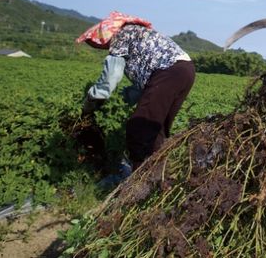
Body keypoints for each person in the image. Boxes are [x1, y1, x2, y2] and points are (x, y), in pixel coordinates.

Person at [76, 11, 195, 169]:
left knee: (139, 128)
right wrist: (123, 98)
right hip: (186, 71)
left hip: (168, 72)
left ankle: (137, 185)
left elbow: (110, 77)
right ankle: (158, 179)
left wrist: (92, 102)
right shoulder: (137, 33)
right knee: (156, 129)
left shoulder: (120, 36)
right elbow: (145, 88)